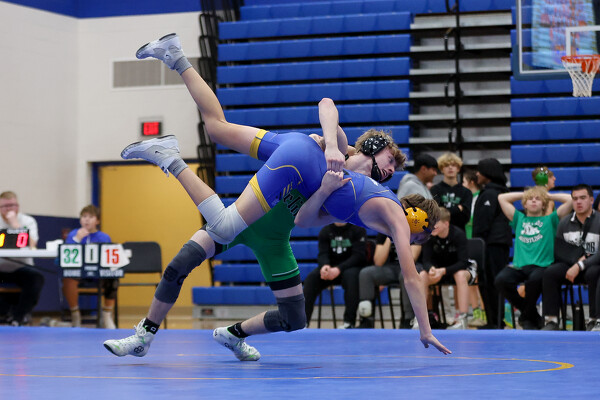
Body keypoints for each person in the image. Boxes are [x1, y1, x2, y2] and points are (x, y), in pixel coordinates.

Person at [104, 33, 450, 358]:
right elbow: (327, 104)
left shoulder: (350, 195)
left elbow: (304, 219)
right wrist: (331, 144)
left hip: (275, 232)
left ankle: (176, 56)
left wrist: (325, 189)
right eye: (389, 163)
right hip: (295, 161)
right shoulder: (348, 162)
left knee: (217, 129)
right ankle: (171, 160)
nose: (389, 172)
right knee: (210, 239)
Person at [495, 187, 573, 330]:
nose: (534, 201)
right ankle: (531, 314)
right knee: (501, 280)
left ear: (544, 204)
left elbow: (570, 200)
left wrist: (547, 195)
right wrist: (526, 194)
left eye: (538, 199)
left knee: (534, 280)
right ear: (525, 204)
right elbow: (502, 198)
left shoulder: (551, 219)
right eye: (530, 199)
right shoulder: (519, 218)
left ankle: (526, 317)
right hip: (519, 266)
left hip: (542, 266)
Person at [541, 184, 600, 331]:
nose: (578, 202)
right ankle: (551, 321)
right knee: (550, 273)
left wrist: (580, 265)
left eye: (583, 198)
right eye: (575, 199)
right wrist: (575, 263)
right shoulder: (564, 222)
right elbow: (559, 251)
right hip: (570, 266)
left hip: (591, 266)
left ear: (591, 200)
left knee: (595, 272)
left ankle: (594, 320)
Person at [419, 208, 475, 329]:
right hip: (440, 271)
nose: (432, 226)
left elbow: (463, 263)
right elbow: (426, 261)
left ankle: (462, 319)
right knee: (423, 275)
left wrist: (444, 271)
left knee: (460, 275)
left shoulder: (458, 235)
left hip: (461, 269)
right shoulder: (429, 236)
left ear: (446, 224)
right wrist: (431, 268)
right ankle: (420, 318)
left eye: (435, 223)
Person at [472, 158, 512, 329]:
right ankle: (496, 320)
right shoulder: (501, 191)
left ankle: (494, 321)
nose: (477, 174)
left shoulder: (490, 193)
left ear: (487, 173)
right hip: (499, 244)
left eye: (479, 171)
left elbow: (483, 223)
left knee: (490, 282)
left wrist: (476, 244)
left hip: (491, 245)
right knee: (494, 282)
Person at [304, 222, 367, 329]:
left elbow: (358, 256)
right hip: (330, 269)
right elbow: (323, 254)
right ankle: (303, 322)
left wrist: (339, 269)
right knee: (311, 278)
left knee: (352, 277)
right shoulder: (325, 231)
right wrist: (325, 266)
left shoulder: (358, 230)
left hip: (349, 268)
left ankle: (349, 322)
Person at [356, 228, 423, 329]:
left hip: (411, 268)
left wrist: (400, 236)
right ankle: (366, 318)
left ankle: (408, 318)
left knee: (405, 275)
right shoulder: (384, 229)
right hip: (391, 268)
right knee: (366, 274)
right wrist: (390, 237)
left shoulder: (414, 228)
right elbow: (378, 261)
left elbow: (412, 258)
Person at [62, 205, 115, 328]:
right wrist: (77, 239)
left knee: (113, 278)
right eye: (84, 216)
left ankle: (107, 315)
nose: (86, 219)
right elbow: (67, 255)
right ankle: (75, 315)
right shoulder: (73, 234)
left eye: (91, 217)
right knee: (68, 278)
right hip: (79, 272)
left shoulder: (104, 237)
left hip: (98, 273)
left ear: (97, 221)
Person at [0, 191, 44, 326]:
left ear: (18, 206)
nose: (9, 209)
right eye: (5, 206)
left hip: (21, 269)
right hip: (1, 270)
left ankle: (18, 318)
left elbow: (32, 244)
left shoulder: (28, 221)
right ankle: (6, 312)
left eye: (12, 205)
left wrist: (16, 226)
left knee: (36, 278)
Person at [462, 168, 486, 327]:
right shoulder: (467, 198)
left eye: (464, 181)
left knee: (480, 279)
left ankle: (484, 312)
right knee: (471, 278)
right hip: (466, 241)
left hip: (477, 241)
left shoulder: (479, 198)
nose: (462, 185)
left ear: (471, 182)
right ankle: (476, 312)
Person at [430, 153, 472, 232]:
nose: (450, 167)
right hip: (440, 233)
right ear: (441, 169)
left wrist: (444, 210)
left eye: (453, 165)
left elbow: (465, 218)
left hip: (460, 232)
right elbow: (437, 214)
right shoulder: (435, 190)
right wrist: (458, 208)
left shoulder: (466, 192)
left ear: (458, 169)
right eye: (446, 165)